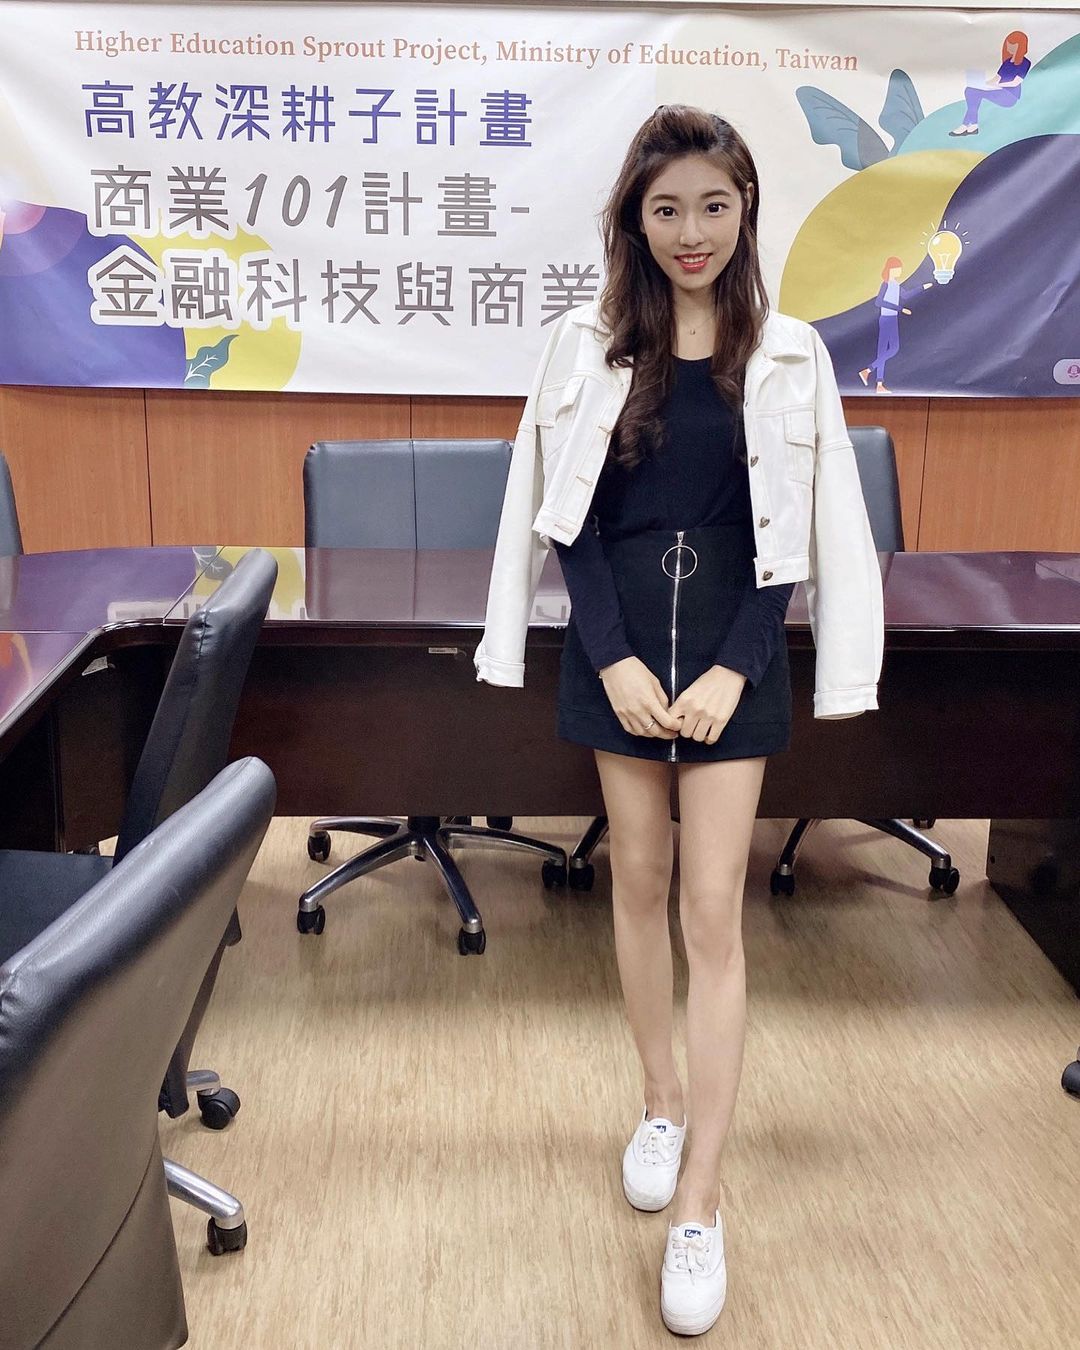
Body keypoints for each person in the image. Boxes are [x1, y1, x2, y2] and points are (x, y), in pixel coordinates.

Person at [475, 105, 883, 1337]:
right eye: (666, 209)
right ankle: (659, 1101)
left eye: (713, 205)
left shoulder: (791, 354)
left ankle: (702, 1197)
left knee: (714, 911)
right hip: (618, 655)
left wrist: (735, 670)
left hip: (730, 657)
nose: (691, 231)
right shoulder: (585, 344)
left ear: (746, 208)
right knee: (637, 883)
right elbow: (568, 522)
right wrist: (605, 657)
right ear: (633, 219)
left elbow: (794, 539)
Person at [859, 256, 933, 394]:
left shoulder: (895, 285)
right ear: (891, 269)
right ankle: (870, 373)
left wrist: (923, 287)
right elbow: (879, 302)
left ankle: (876, 381)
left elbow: (906, 295)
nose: (899, 271)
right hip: (886, 319)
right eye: (897, 268)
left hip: (892, 319)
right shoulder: (886, 284)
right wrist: (900, 309)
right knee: (890, 349)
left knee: (886, 351)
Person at [950, 31, 1032, 136]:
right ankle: (972, 125)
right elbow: (996, 78)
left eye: (1011, 44)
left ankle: (968, 125)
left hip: (1010, 96)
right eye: (1008, 43)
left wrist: (998, 85)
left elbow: (1015, 83)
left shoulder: (1025, 63)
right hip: (998, 91)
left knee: (975, 93)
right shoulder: (1007, 62)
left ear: (1019, 46)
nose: (1008, 46)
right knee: (970, 90)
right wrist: (982, 84)